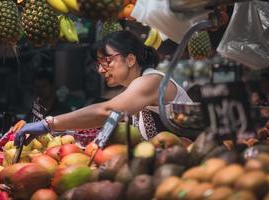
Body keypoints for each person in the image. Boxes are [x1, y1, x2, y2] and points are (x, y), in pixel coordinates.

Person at [15, 30, 192, 146]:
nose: (100, 69)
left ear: (130, 59)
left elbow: (106, 111)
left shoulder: (151, 81)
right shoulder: (134, 88)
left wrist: (49, 124)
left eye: (107, 60)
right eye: (98, 63)